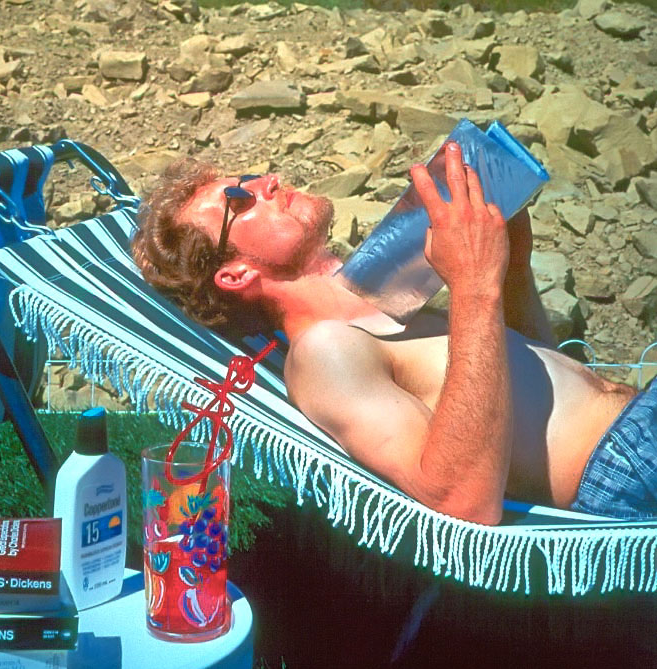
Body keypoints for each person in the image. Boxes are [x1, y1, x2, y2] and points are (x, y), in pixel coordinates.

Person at [131, 142, 656, 524]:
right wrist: (473, 286)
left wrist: (510, 269)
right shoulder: (324, 350)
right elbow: (461, 499)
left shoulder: (391, 303)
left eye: (249, 177)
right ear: (235, 275)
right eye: (238, 200)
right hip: (625, 465)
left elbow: (524, 385)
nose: (264, 182)